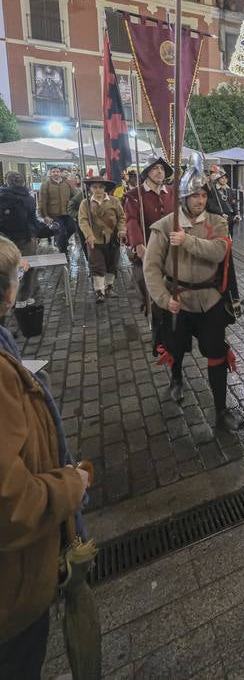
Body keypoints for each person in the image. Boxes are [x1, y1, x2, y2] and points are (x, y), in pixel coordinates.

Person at [0, 237, 90, 679]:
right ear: (8, 292)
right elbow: (11, 502)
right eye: (17, 276)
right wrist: (70, 485)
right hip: (10, 593)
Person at [144, 154, 243, 426]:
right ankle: (176, 379)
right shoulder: (165, 226)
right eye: (194, 195)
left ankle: (221, 410)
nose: (200, 200)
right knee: (175, 346)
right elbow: (151, 268)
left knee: (216, 351)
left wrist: (187, 241)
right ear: (184, 196)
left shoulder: (217, 222)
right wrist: (163, 299)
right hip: (178, 299)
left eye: (203, 195)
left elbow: (220, 251)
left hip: (210, 299)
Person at [124, 155, 174, 313]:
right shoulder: (134, 195)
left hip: (170, 248)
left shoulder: (172, 192)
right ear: (147, 173)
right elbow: (131, 221)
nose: (160, 172)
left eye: (162, 169)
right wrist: (139, 246)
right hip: (146, 247)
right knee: (147, 287)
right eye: (155, 168)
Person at [0, 172, 49, 307]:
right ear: (23, 182)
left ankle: (6, 298)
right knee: (27, 268)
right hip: (25, 239)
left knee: (6, 268)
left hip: (4, 240)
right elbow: (32, 221)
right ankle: (23, 298)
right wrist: (45, 230)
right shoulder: (28, 198)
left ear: (6, 181)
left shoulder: (1, 195)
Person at [78, 176, 126, 301]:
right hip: (95, 239)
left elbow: (121, 217)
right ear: (90, 189)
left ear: (105, 188)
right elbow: (82, 220)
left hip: (112, 238)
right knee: (97, 265)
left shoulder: (114, 201)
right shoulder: (85, 203)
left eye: (100, 187)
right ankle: (99, 290)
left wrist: (122, 229)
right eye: (95, 187)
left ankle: (109, 286)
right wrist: (89, 235)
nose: (98, 190)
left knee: (112, 264)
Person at [39, 165, 76, 254]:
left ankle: (61, 240)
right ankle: (63, 252)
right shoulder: (46, 184)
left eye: (57, 171)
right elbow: (42, 201)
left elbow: (74, 196)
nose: (55, 173)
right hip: (54, 214)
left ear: (60, 173)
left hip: (67, 212)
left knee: (72, 228)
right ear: (50, 173)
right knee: (61, 231)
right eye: (53, 172)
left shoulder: (67, 183)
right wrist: (45, 215)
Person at [208, 167, 240, 235]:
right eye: (222, 178)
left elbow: (234, 203)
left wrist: (236, 214)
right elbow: (211, 205)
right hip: (219, 217)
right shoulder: (213, 190)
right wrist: (221, 213)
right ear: (218, 179)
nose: (224, 179)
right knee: (220, 236)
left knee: (230, 236)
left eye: (226, 178)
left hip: (230, 218)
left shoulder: (229, 190)